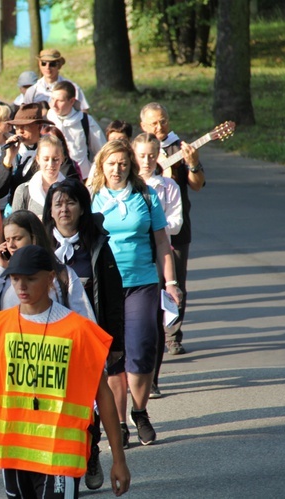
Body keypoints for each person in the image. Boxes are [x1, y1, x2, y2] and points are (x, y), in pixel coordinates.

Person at [0, 245, 131, 498]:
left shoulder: (79, 331)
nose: (21, 286)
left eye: (30, 279)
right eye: (15, 278)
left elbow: (103, 395)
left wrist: (119, 459)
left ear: (50, 278)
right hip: (13, 452)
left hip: (61, 454)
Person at [88, 140, 182, 446]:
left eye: (123, 164)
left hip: (142, 281)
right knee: (113, 356)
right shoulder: (92, 198)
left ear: (131, 166)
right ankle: (118, 422)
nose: (117, 169)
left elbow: (161, 242)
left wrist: (170, 283)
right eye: (111, 163)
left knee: (142, 348)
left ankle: (139, 412)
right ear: (101, 166)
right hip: (107, 286)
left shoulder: (146, 195)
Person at [43, 178, 125, 485]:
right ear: (50, 210)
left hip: (89, 340)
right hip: (51, 342)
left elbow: (114, 298)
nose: (64, 209)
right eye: (58, 203)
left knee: (90, 402)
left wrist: (115, 341)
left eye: (71, 202)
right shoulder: (40, 247)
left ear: (82, 208)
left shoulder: (98, 246)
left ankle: (91, 452)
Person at [140, 102, 205, 356]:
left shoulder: (181, 147)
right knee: (147, 282)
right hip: (142, 229)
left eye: (164, 121)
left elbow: (197, 185)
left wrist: (193, 164)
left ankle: (172, 335)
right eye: (154, 123)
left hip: (177, 227)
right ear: (143, 125)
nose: (160, 127)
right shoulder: (139, 149)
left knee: (175, 281)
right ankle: (148, 332)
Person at [0, 208, 94, 319]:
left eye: (17, 238)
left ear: (34, 238)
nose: (11, 245)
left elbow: (84, 319)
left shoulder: (62, 274)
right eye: (7, 240)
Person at [133, 133, 183, 398]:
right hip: (131, 258)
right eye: (141, 155)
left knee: (155, 319)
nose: (146, 161)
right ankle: (131, 373)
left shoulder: (167, 186)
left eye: (151, 155)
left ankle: (152, 377)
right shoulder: (126, 185)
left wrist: (155, 224)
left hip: (159, 256)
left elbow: (176, 223)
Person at [0, 103, 52, 210]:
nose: (20, 131)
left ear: (39, 127)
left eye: (25, 126)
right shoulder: (10, 150)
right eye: (17, 127)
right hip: (16, 212)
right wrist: (8, 160)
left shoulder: (50, 150)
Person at [47, 81, 106, 179]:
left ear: (71, 101)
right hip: (53, 179)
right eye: (52, 99)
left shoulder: (85, 121)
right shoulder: (46, 120)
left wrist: (93, 176)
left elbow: (103, 151)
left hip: (81, 179)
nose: (54, 104)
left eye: (59, 101)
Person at [12, 134, 67, 218]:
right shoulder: (24, 191)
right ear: (37, 159)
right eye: (46, 159)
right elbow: (16, 226)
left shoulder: (71, 190)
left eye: (56, 159)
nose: (51, 164)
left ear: (62, 159)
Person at [23, 49, 89, 111]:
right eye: (44, 63)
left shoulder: (73, 88)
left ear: (59, 65)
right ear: (39, 65)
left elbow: (83, 112)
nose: (47, 67)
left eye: (52, 64)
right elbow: (26, 116)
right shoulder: (32, 91)